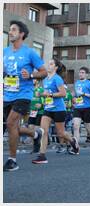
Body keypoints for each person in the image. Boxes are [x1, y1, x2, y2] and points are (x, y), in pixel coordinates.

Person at [3, 20, 47, 171]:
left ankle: (12, 160)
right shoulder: (5, 51)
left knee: (10, 124)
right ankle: (36, 134)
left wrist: (31, 75)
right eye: (10, 30)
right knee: (12, 127)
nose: (10, 32)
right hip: (7, 94)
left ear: (21, 34)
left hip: (24, 94)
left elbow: (44, 72)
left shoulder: (29, 52)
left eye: (14, 30)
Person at [32, 58, 80, 163]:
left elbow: (62, 93)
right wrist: (41, 95)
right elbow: (46, 94)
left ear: (56, 67)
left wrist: (49, 94)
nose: (48, 65)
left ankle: (72, 141)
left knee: (61, 133)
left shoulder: (57, 79)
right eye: (48, 64)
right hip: (48, 109)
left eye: (51, 64)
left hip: (59, 109)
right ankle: (42, 156)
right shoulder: (45, 80)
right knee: (43, 131)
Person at [71, 67, 90, 154]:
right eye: (80, 72)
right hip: (78, 108)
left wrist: (84, 94)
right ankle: (76, 147)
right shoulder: (77, 83)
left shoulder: (89, 83)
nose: (80, 74)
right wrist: (73, 98)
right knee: (76, 126)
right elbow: (75, 94)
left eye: (82, 73)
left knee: (88, 128)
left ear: (86, 74)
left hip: (87, 108)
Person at [28, 79, 45, 153]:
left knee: (37, 129)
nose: (32, 80)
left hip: (40, 112)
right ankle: (34, 146)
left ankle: (37, 147)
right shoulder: (30, 89)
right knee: (30, 129)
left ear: (37, 81)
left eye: (34, 79)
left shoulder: (41, 90)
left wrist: (41, 105)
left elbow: (47, 100)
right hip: (32, 112)